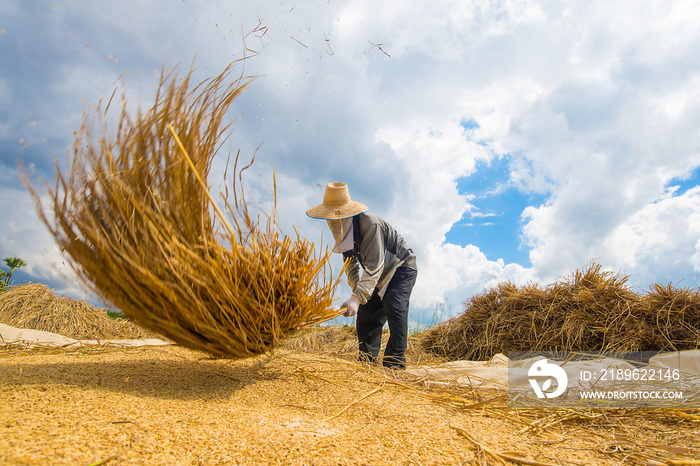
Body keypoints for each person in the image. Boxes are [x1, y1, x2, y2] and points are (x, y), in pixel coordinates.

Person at [307, 182, 418, 369]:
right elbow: (350, 264)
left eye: (337, 217)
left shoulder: (370, 225)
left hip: (400, 267)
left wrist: (357, 297)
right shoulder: (343, 230)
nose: (333, 222)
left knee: (394, 305)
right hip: (375, 273)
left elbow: (375, 265)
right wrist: (356, 296)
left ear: (347, 213)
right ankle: (367, 361)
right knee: (367, 314)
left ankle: (394, 363)